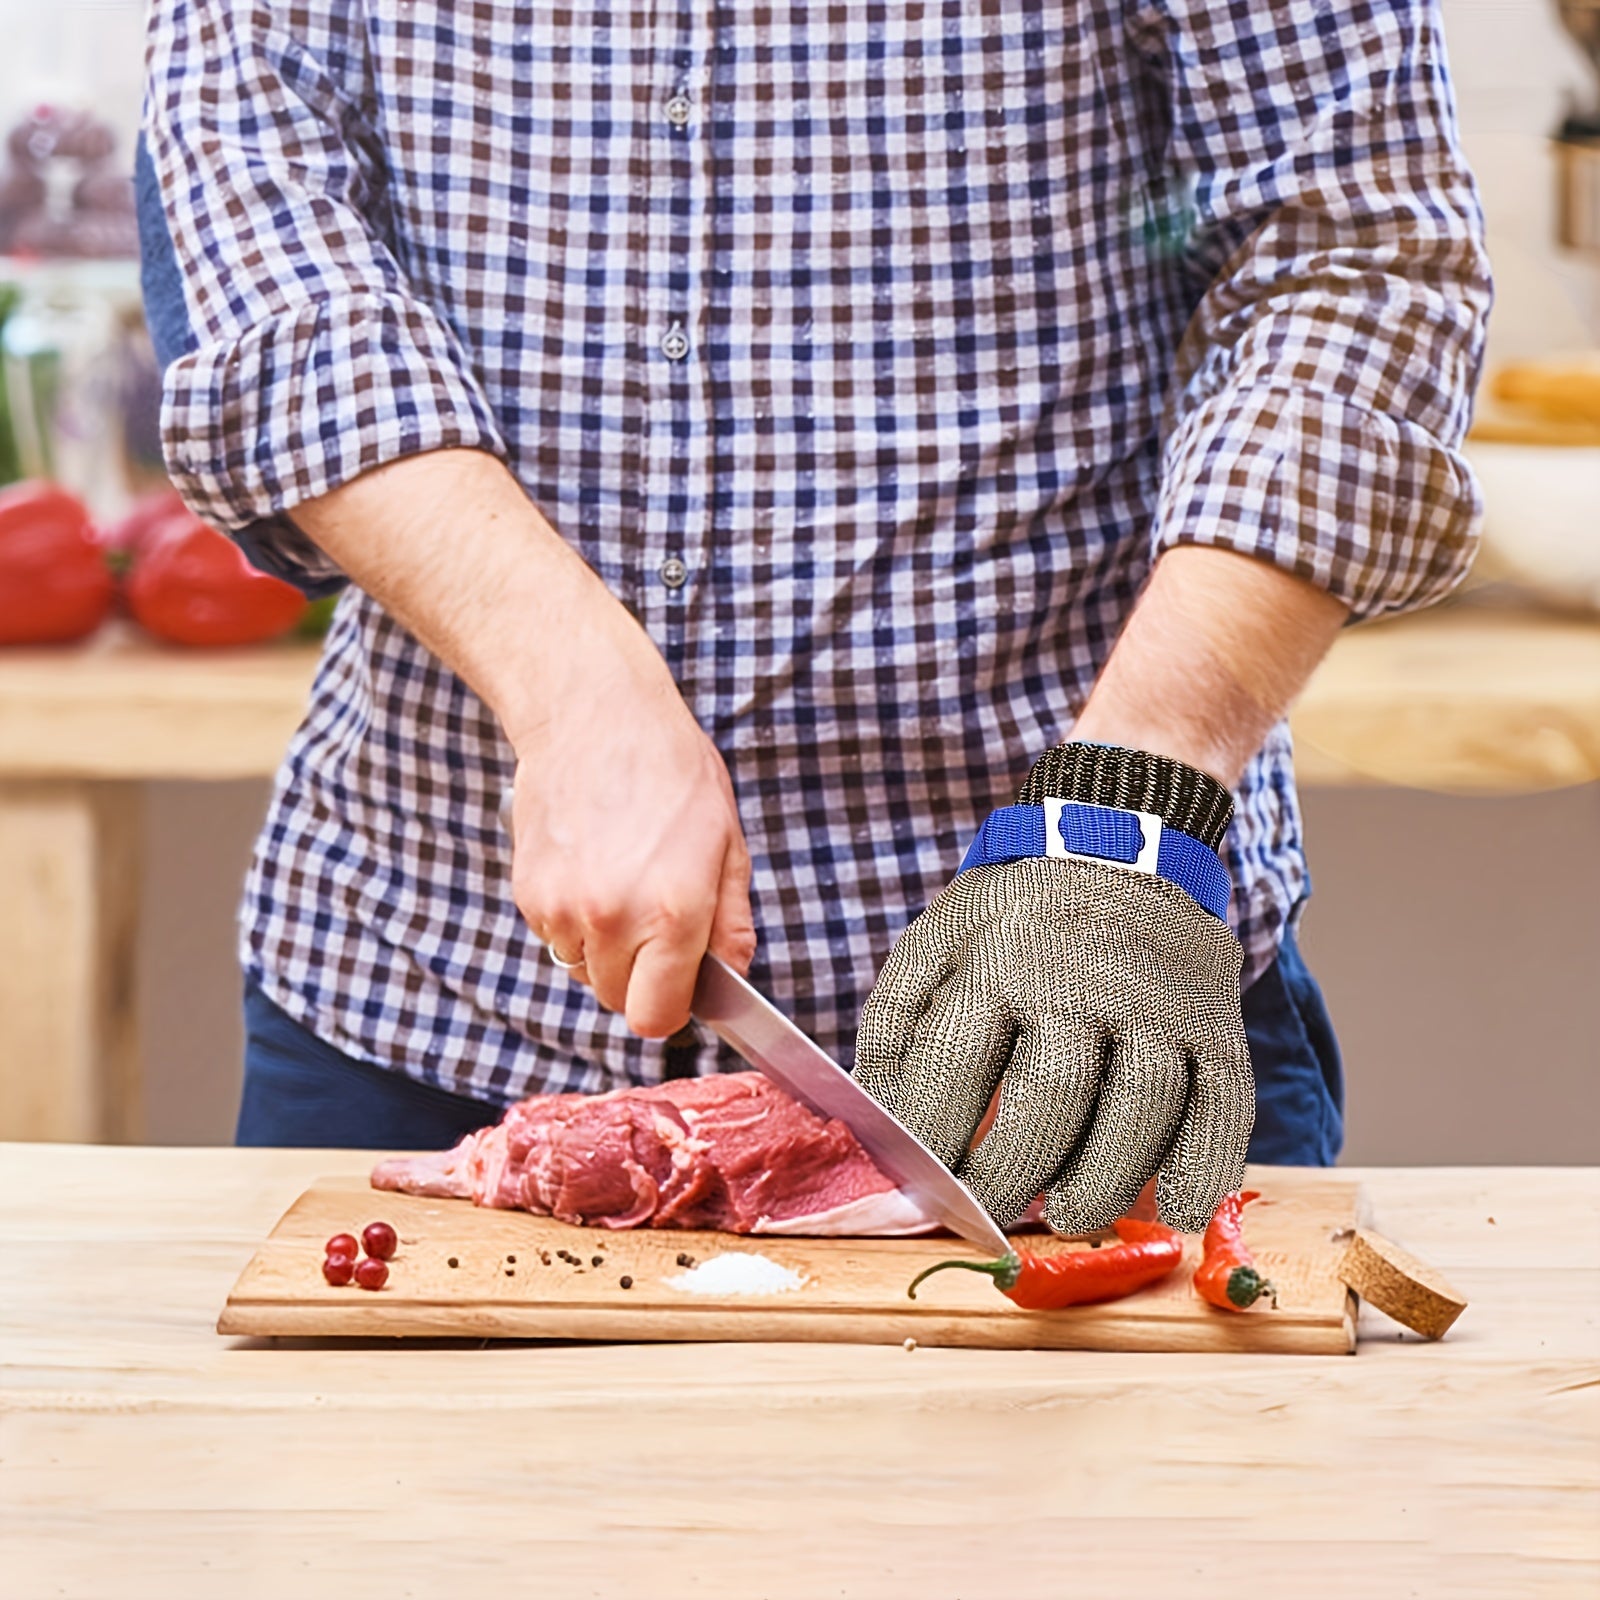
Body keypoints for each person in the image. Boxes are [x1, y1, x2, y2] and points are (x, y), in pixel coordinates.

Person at [138, 0, 1489, 1229]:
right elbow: (272, 279)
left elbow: (1356, 267)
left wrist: (1127, 809)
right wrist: (574, 689)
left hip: (1075, 1025)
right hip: (424, 1010)